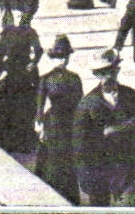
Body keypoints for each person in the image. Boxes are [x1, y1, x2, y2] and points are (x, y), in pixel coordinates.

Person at [72, 49, 135, 207]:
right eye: (102, 73)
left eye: (110, 71)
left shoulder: (130, 96)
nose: (107, 76)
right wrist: (84, 175)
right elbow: (79, 145)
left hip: (128, 168)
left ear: (117, 70)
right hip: (99, 171)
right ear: (96, 74)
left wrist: (119, 129)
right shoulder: (87, 104)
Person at [35, 35, 83, 203]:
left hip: (69, 122)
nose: (62, 61)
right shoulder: (46, 79)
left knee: (67, 159)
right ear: (53, 58)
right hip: (54, 123)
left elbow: (81, 104)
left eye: (64, 57)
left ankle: (68, 196)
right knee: (53, 160)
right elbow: (39, 107)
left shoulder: (74, 78)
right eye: (58, 57)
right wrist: (40, 126)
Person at [0, 19, 43, 157]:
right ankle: (5, 141)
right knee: (6, 105)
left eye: (21, 14)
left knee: (22, 107)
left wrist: (33, 63)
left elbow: (39, 50)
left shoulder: (30, 32)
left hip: (23, 73)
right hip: (9, 71)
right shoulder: (7, 31)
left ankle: (21, 142)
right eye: (16, 14)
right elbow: (0, 52)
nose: (18, 17)